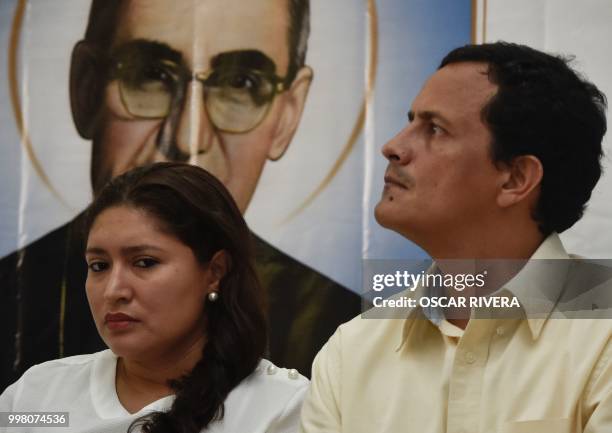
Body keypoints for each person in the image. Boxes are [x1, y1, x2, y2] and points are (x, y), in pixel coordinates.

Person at [0, 0, 361, 389]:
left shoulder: (335, 343)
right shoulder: (34, 395)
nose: (188, 137)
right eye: (149, 75)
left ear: (288, 113)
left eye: (241, 83)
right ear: (86, 87)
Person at [300, 42, 612, 432]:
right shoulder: (352, 350)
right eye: (410, 121)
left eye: (434, 129)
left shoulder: (603, 339)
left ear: (515, 178)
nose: (393, 146)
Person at [1, 162, 308, 433]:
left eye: (144, 262)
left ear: (215, 272)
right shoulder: (39, 397)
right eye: (99, 266)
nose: (113, 290)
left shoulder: (279, 407)